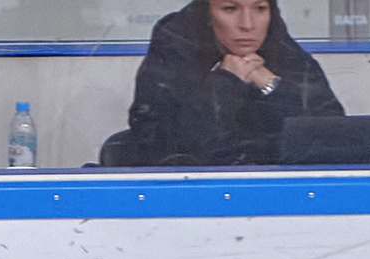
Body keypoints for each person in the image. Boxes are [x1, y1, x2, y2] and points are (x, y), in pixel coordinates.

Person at [121, 0, 343, 167]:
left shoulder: (288, 56)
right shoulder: (175, 51)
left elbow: (334, 140)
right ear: (207, 15)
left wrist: (270, 85)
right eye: (230, 9)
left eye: (260, 8)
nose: (247, 25)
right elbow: (159, 143)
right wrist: (226, 84)